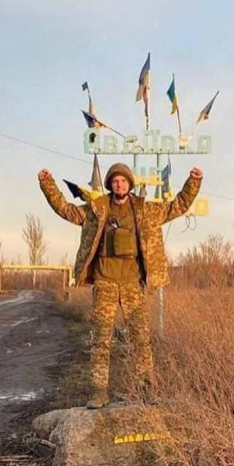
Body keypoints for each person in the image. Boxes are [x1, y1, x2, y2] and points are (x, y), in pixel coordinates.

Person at [38, 162, 203, 408]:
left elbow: (177, 206)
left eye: (123, 181)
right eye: (115, 181)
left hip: (132, 285)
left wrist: (194, 182)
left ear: (130, 184)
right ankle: (98, 393)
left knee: (140, 340)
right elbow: (66, 210)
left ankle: (147, 391)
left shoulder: (145, 210)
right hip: (105, 283)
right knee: (101, 340)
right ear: (110, 184)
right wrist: (47, 184)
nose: (119, 184)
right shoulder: (97, 210)